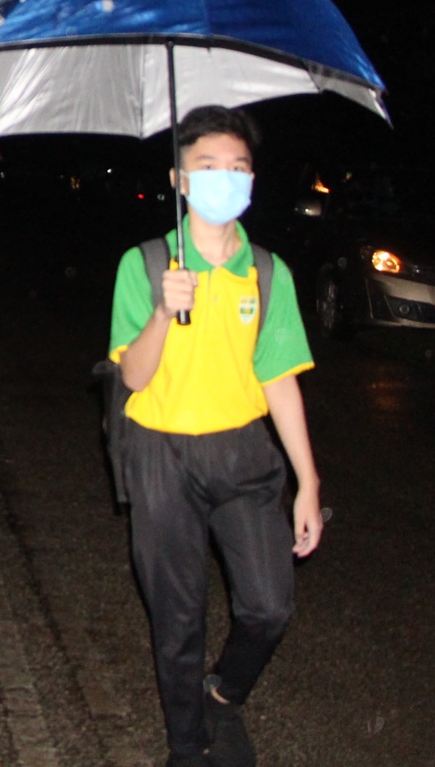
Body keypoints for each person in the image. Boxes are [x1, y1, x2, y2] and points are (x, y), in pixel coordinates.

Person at [108, 106, 321, 767]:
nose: (224, 179)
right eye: (208, 167)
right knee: (178, 619)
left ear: (253, 180)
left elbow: (280, 380)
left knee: (268, 607)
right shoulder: (144, 264)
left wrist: (308, 483)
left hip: (242, 452)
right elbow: (135, 377)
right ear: (180, 179)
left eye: (237, 168)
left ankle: (223, 693)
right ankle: (186, 745)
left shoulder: (265, 271)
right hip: (160, 453)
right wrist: (164, 313)